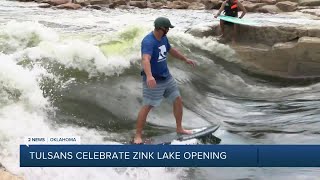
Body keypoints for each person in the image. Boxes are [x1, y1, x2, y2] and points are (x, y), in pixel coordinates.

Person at [133, 17, 196, 144]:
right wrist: (149, 76)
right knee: (147, 106)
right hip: (154, 79)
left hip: (166, 77)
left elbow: (171, 50)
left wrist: (185, 59)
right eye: (167, 28)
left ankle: (179, 128)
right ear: (161, 28)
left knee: (177, 99)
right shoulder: (148, 41)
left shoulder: (163, 38)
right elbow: (145, 59)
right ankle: (137, 136)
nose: (168, 30)